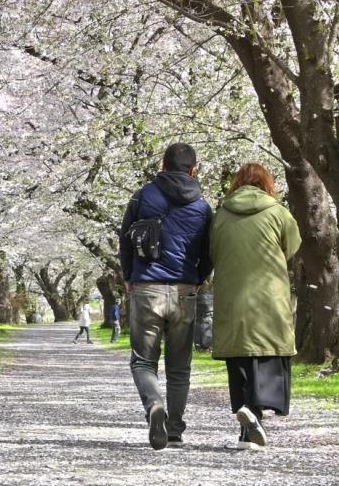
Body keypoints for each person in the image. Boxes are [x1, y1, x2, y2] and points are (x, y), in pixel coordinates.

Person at [118, 143, 213, 451]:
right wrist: (198, 279)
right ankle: (174, 429)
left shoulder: (143, 195)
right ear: (193, 170)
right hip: (184, 290)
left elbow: (125, 239)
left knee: (143, 361)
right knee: (179, 367)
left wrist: (129, 276)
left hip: (146, 287)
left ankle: (154, 406)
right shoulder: (202, 205)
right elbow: (208, 250)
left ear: (162, 164)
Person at [209, 163, 300, 450]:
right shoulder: (278, 212)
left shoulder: (220, 215)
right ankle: (256, 412)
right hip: (268, 295)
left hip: (232, 296)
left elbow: (213, 251)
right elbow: (292, 247)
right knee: (268, 353)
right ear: (267, 184)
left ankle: (247, 426)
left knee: (239, 357)